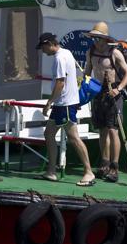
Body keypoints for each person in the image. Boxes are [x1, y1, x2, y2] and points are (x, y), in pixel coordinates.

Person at [36, 33, 95, 186]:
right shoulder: (67, 52)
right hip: (63, 104)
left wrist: (49, 102)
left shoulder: (59, 58)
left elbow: (60, 83)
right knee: (49, 133)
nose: (42, 51)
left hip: (65, 104)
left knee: (74, 137)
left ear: (49, 44)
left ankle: (88, 172)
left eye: (43, 47)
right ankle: (51, 171)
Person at [84, 21, 127, 183]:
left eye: (98, 38)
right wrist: (85, 86)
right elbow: (87, 72)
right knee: (102, 130)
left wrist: (118, 89)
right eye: (94, 38)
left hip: (114, 94)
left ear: (105, 39)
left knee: (113, 130)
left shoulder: (115, 53)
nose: (95, 42)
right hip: (97, 94)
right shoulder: (90, 52)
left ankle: (114, 167)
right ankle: (104, 163)